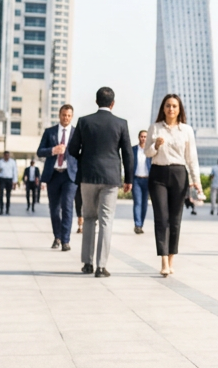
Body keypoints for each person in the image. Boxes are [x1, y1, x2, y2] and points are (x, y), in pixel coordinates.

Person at [68, 87, 134, 278]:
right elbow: (128, 154)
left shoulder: (84, 121)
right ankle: (101, 266)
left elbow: (72, 149)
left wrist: (85, 158)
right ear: (113, 103)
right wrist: (128, 179)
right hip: (111, 178)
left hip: (88, 176)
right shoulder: (121, 123)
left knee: (89, 218)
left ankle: (87, 263)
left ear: (96, 101)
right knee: (106, 220)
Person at [146, 93, 201, 277]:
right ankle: (163, 260)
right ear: (163, 108)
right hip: (158, 174)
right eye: (168, 105)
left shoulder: (186, 130)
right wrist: (156, 145)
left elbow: (191, 158)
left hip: (179, 174)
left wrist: (196, 181)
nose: (171, 109)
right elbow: (147, 153)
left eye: (174, 106)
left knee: (175, 219)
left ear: (179, 109)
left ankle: (171, 259)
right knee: (161, 218)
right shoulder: (155, 128)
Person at [38, 104, 79, 251]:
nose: (66, 118)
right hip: (53, 174)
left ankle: (65, 241)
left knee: (67, 207)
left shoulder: (77, 133)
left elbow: (83, 154)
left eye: (69, 115)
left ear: (72, 117)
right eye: (64, 115)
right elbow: (39, 151)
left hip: (70, 176)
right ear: (59, 115)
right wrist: (53, 150)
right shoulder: (50, 132)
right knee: (54, 209)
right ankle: (57, 237)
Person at [132, 130, 151, 234]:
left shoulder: (150, 151)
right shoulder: (134, 150)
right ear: (139, 137)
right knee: (138, 202)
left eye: (145, 137)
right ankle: (137, 225)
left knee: (144, 204)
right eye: (142, 136)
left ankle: (141, 224)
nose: (143, 138)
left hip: (147, 180)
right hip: (136, 180)